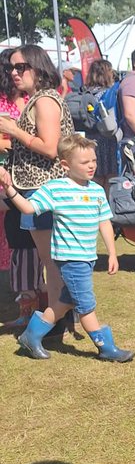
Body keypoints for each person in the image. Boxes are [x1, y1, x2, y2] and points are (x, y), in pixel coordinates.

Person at [0, 135, 133, 361]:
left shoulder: (97, 190)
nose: (91, 166)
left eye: (94, 161)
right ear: (65, 164)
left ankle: (30, 336)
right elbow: (29, 208)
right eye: (84, 162)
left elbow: (104, 222)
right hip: (70, 259)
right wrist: (10, 189)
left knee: (66, 301)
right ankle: (106, 348)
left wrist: (112, 252)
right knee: (86, 305)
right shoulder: (55, 189)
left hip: (88, 256)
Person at [0, 45, 74, 316]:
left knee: (53, 263)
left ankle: (53, 321)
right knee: (51, 261)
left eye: (21, 67)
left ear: (38, 67)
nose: (14, 73)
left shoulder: (44, 100)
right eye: (11, 68)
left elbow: (50, 148)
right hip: (36, 189)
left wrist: (13, 130)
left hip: (44, 190)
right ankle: (57, 319)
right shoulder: (37, 99)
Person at [82, 59, 121, 191]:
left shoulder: (86, 92)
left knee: (95, 176)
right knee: (110, 177)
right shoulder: (109, 93)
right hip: (108, 138)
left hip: (91, 138)